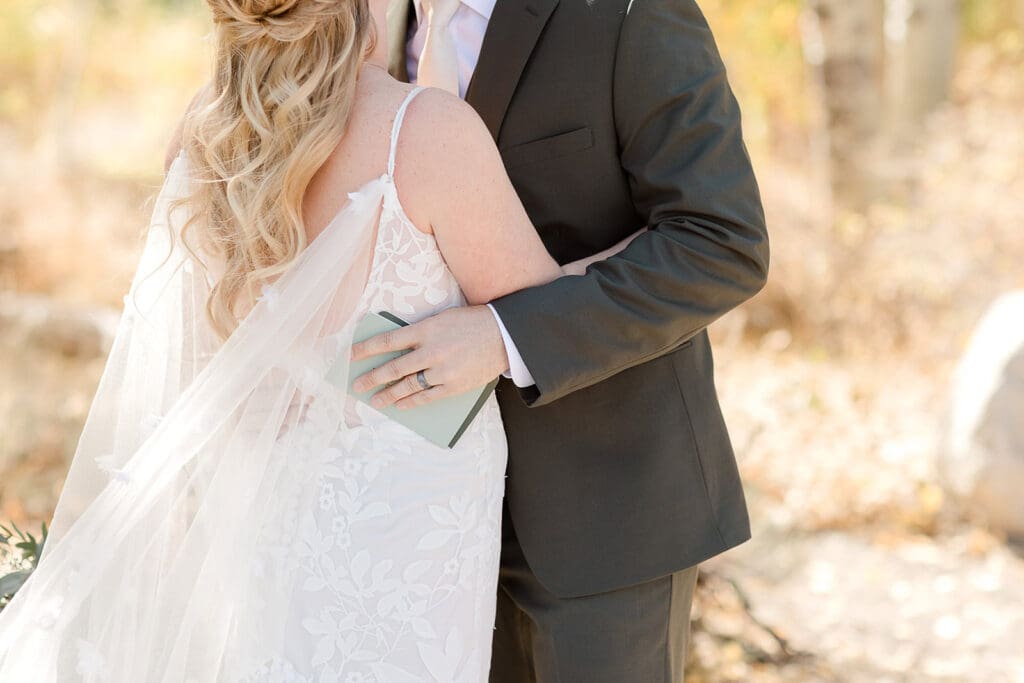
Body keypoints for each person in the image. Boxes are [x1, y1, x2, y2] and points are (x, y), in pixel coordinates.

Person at [0, 0, 640, 680]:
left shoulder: (203, 132)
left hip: (249, 528)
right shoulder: (425, 134)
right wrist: (662, 246)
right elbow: (546, 307)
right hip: (398, 552)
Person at [349, 0, 770, 680]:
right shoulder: (356, 26)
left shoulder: (628, 13)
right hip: (419, 521)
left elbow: (721, 241)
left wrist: (501, 335)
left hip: (604, 509)